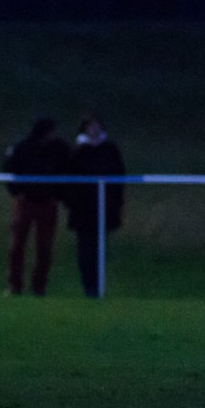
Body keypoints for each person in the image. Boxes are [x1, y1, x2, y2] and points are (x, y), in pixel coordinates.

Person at [2, 117, 70, 296]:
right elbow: (9, 169)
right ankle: (14, 286)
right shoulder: (23, 148)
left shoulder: (61, 149)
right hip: (26, 202)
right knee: (17, 245)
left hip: (48, 203)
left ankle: (39, 287)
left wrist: (58, 195)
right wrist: (17, 192)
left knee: (44, 247)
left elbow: (68, 170)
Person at [62, 115, 126, 298]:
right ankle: (88, 286)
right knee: (85, 249)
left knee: (100, 248)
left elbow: (119, 177)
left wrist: (117, 203)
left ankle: (98, 286)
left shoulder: (110, 150)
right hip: (83, 208)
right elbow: (70, 178)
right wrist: (72, 201)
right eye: (90, 126)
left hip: (105, 207)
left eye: (97, 126)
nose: (94, 130)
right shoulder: (78, 151)